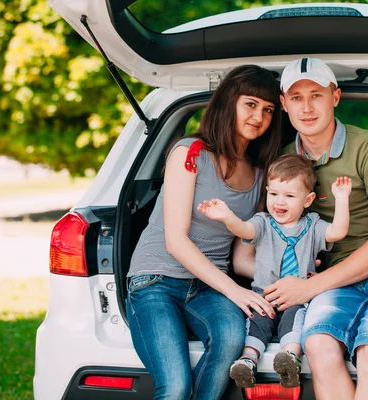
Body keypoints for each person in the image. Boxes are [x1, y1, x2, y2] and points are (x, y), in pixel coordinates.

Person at [235, 57, 368, 399]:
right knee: (317, 346)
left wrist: (306, 288)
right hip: (336, 279)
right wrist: (287, 279)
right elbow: (247, 250)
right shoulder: (282, 163)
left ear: (336, 97)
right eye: (296, 98)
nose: (307, 107)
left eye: (317, 95)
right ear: (283, 104)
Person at [125, 65, 283, 400]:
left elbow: (241, 260)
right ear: (229, 102)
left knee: (228, 340)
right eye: (250, 104)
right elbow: (176, 241)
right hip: (156, 280)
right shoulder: (190, 152)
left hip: (207, 288)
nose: (259, 116)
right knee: (176, 386)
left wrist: (290, 278)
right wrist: (236, 294)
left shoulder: (258, 177)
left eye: (268, 110)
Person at [198, 154, 352, 389]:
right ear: (267, 192)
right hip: (264, 295)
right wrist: (227, 216)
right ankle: (248, 361)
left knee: (295, 321)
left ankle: (289, 359)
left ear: (308, 200)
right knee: (256, 324)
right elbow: (244, 229)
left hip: (296, 298)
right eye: (274, 194)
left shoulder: (313, 226)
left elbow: (338, 232)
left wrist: (342, 199)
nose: (280, 202)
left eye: (290, 196)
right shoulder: (263, 222)